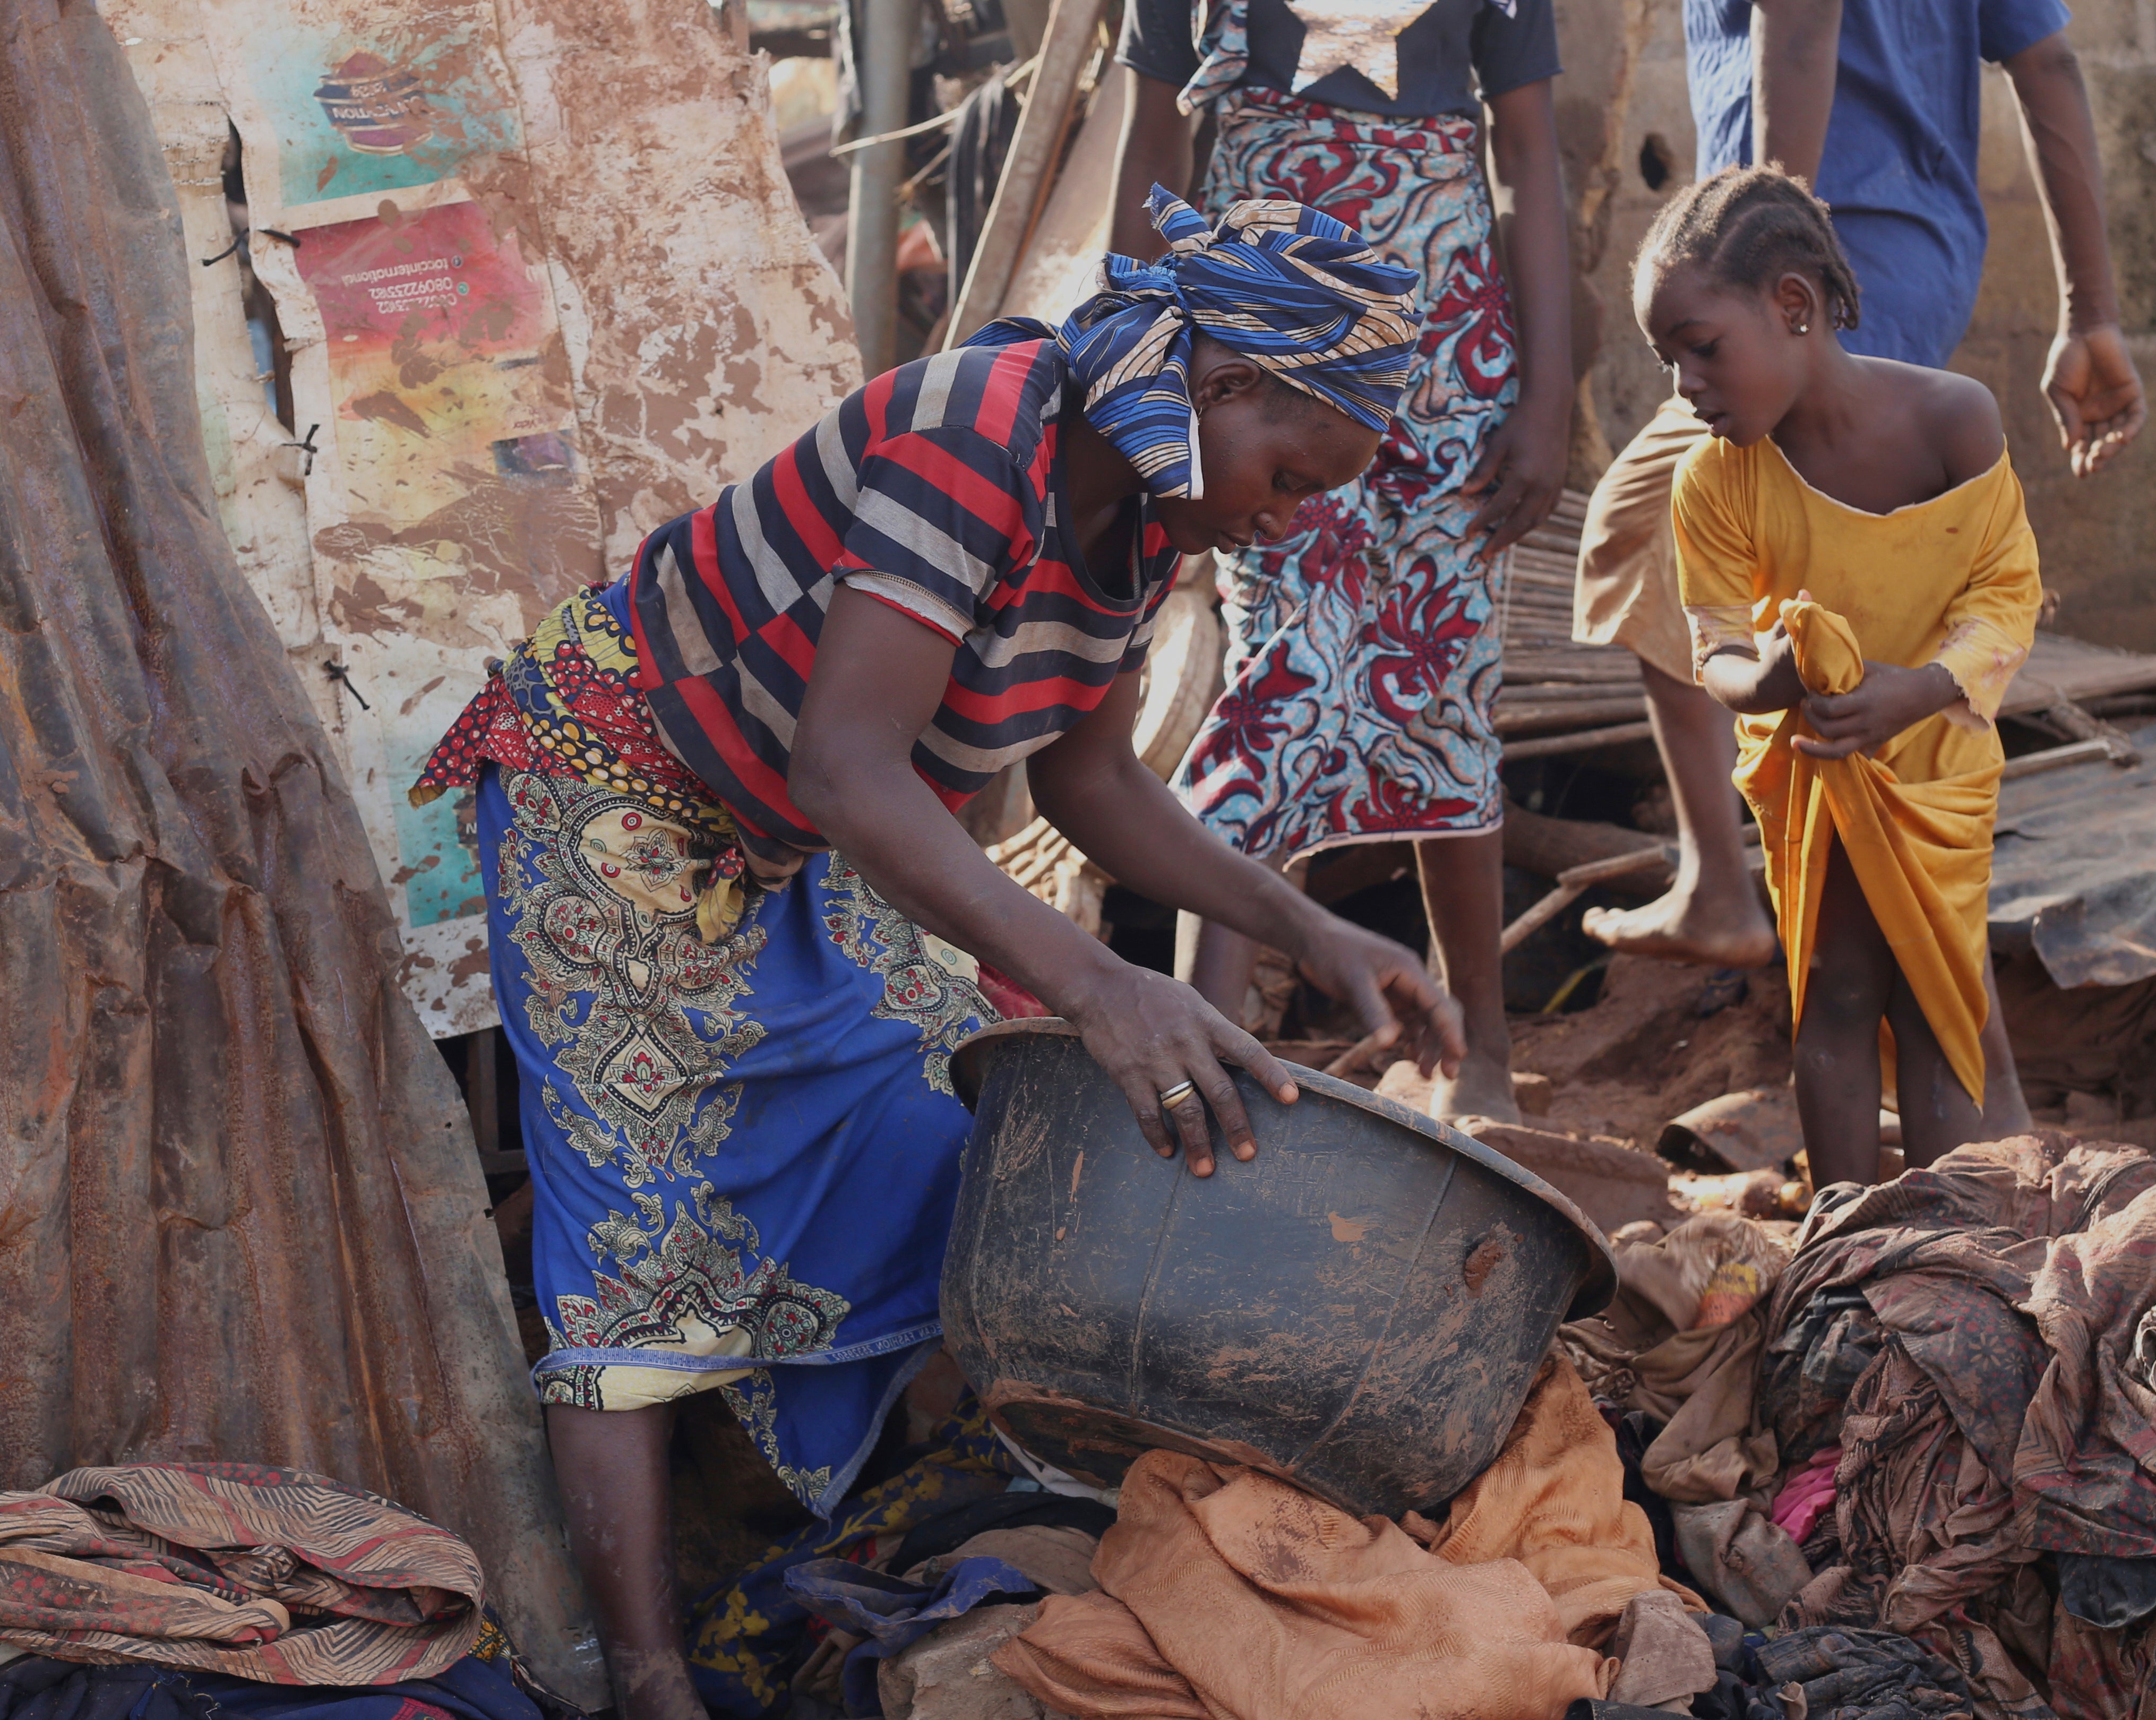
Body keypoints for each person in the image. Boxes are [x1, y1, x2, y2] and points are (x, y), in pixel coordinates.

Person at [409, 192, 1466, 1720]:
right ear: (1220, 389)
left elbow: (1088, 788)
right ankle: (644, 1677)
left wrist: (1306, 926)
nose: (1287, 512)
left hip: (796, 827)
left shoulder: (1144, 515)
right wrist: (1101, 982)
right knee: (637, 1221)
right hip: (617, 780)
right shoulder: (977, 432)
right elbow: (850, 765)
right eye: (1292, 473)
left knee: (940, 1108)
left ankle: (879, 1524)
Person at [1574, 0, 2145, 1133]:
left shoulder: (1792, 343)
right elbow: (2048, 61)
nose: (1676, 377)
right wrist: (2090, 309)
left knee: (1878, 761)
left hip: (1812, 266)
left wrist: (1761, 231)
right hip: (1852, 262)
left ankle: (1989, 1109)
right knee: (1652, 540)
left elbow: (1798, 27)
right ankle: (1728, 883)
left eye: (1686, 357)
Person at [1107, 0, 1575, 1122]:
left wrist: (1549, 397)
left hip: (1448, 353)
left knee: (1448, 678)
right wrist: (1125, 367)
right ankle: (1204, 1061)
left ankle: (1481, 1061)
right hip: (1260, 353)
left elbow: (1527, 152)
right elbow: (1153, 143)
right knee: (1282, 679)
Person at [1638, 166, 2041, 1185]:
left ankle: (1947, 1248)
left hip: (1936, 766)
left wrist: (1921, 687)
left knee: (1933, 994)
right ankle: (1846, 1240)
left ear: (1794, 306)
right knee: (1833, 991)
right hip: (1816, 779)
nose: (1685, 386)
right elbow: (1716, 650)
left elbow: (2006, 596)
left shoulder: (1955, 420)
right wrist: (1767, 679)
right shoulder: (1713, 481)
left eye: (1701, 350)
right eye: (1668, 361)